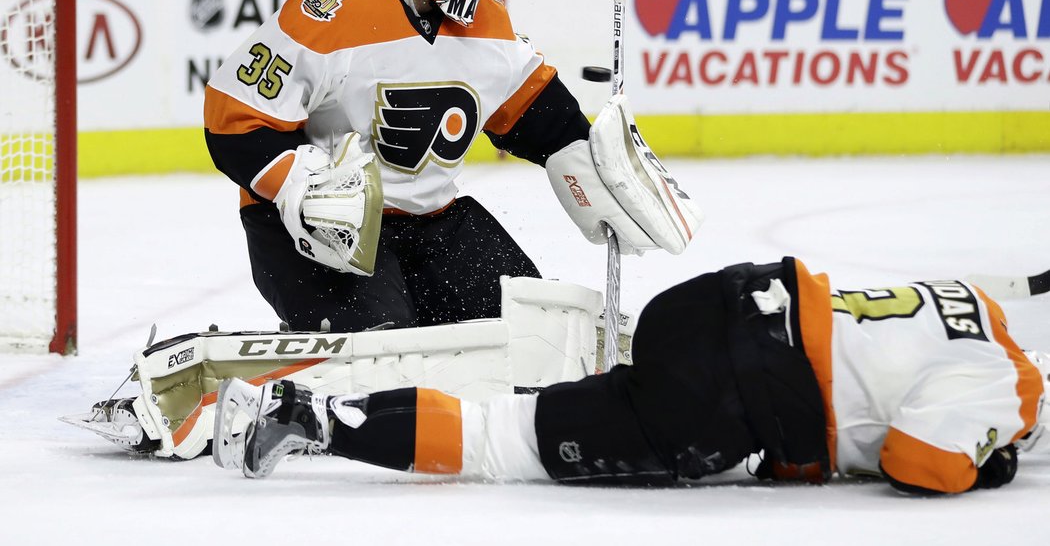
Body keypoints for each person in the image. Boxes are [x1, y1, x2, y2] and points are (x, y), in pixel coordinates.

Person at [202, 0, 699, 335]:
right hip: (320, 231)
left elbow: (542, 120)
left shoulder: (489, 23)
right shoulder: (332, 4)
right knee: (382, 357)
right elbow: (235, 123)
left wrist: (602, 170)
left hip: (435, 221)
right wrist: (300, 187)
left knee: (530, 334)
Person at [214, 256, 1048, 494]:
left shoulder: (975, 297)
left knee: (549, 409)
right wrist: (992, 465)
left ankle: (327, 409)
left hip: (717, 301)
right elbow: (921, 464)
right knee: (504, 444)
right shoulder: (1013, 385)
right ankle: (309, 416)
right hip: (729, 393)